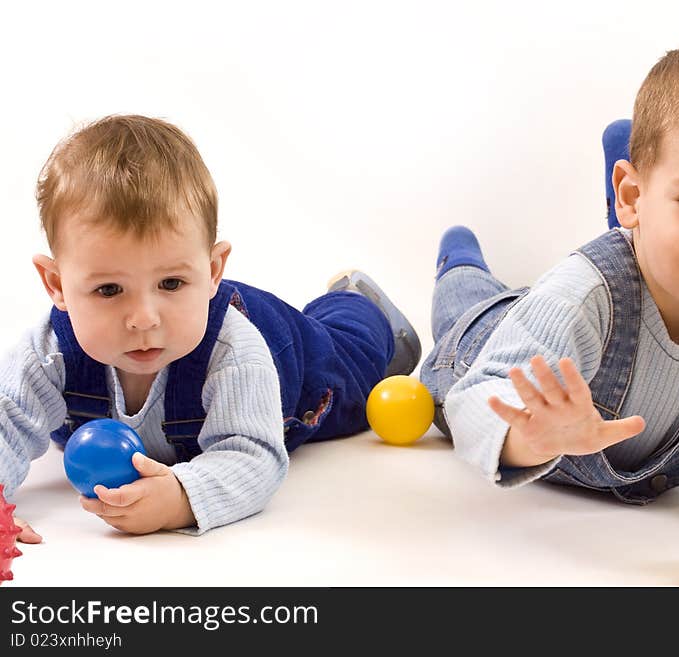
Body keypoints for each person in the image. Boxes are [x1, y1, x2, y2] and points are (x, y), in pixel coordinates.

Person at [419, 41, 679, 502]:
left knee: (544, 306)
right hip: (477, 344)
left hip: (559, 317)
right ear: (629, 197)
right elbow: (474, 400)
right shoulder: (582, 297)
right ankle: (459, 259)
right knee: (468, 300)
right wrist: (531, 437)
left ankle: (663, 192)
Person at [1, 114, 421, 539]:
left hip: (294, 359)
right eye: (109, 289)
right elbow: (6, 420)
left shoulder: (234, 351)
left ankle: (358, 305)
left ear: (212, 270)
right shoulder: (51, 350)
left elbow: (253, 455)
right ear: (57, 284)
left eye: (171, 283)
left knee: (355, 360)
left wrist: (182, 498)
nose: (144, 317)